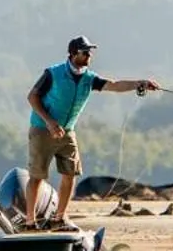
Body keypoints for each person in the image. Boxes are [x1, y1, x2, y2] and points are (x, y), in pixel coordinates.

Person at [23, 36, 157, 230]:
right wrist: (50, 122)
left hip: (67, 131)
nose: (89, 55)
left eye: (90, 52)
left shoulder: (89, 79)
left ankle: (59, 218)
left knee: (70, 173)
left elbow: (114, 85)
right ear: (73, 54)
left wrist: (140, 83)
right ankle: (30, 222)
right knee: (37, 176)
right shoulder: (53, 74)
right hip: (43, 129)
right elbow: (32, 97)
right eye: (85, 52)